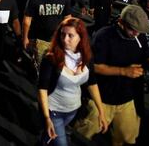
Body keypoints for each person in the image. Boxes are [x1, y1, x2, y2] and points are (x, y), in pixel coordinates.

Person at [74, 5, 149, 146]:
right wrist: (124, 71)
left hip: (127, 98)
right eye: (132, 29)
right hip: (101, 98)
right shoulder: (103, 36)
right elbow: (94, 67)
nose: (136, 34)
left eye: (139, 31)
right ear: (121, 22)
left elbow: (146, 56)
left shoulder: (139, 36)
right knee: (84, 133)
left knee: (127, 137)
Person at [38, 17, 108, 146]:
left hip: (72, 110)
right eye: (62, 34)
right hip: (54, 110)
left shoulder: (87, 57)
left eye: (70, 35)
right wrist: (47, 117)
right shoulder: (51, 57)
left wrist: (101, 112)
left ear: (81, 37)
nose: (65, 39)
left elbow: (92, 84)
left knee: (49, 136)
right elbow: (42, 88)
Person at [22, 0, 71, 64]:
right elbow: (27, 21)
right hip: (40, 41)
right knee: (42, 68)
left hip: (58, 39)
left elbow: (68, 18)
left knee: (59, 66)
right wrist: (25, 38)